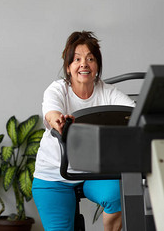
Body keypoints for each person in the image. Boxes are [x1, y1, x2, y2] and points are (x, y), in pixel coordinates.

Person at [32, 31, 135, 231]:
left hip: (94, 173)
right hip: (54, 173)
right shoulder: (57, 89)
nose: (84, 64)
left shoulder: (108, 92)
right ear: (68, 67)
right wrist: (59, 121)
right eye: (77, 59)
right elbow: (51, 112)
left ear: (97, 65)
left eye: (90, 58)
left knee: (118, 193)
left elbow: (134, 113)